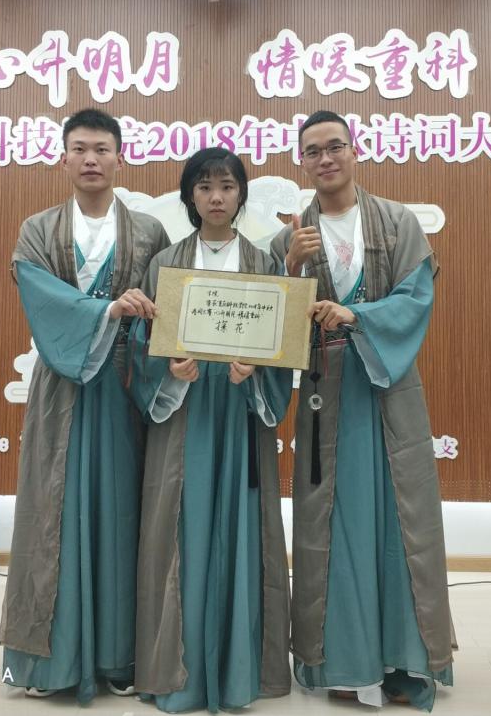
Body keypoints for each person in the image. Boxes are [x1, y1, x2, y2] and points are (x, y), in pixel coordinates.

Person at [271, 111, 455, 710]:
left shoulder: (397, 222)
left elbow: (415, 297)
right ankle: (341, 661)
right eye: (313, 151)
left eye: (335, 147)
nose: (325, 159)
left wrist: (358, 315)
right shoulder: (291, 237)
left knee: (400, 520)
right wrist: (290, 270)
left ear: (355, 151)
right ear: (301, 161)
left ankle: (405, 660)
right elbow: (272, 324)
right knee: (333, 523)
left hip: (387, 389)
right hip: (324, 391)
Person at [0, 108, 169, 703]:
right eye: (80, 148)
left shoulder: (148, 232)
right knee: (54, 511)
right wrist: (107, 310)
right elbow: (41, 298)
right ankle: (51, 661)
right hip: (62, 388)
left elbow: (166, 305)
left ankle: (118, 656)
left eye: (101, 148)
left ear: (121, 156)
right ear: (63, 157)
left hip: (126, 383)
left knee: (123, 511)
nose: (91, 159)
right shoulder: (38, 229)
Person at [129, 148, 292, 712]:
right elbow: (143, 342)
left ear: (241, 194)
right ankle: (180, 671)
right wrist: (168, 370)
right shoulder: (164, 264)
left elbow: (280, 341)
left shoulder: (265, 265)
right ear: (190, 196)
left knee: (240, 528)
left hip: (240, 410)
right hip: (187, 410)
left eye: (226, 186)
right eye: (204, 187)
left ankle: (237, 670)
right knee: (181, 527)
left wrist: (257, 371)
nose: (216, 197)